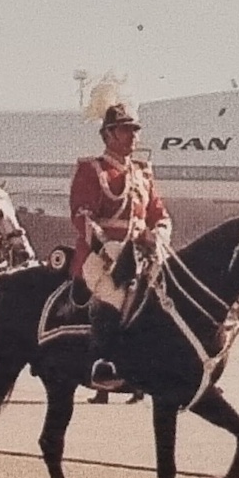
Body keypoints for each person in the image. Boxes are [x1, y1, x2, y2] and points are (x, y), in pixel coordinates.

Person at [68, 72, 171, 403]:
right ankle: (102, 364)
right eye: (126, 130)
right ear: (109, 134)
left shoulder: (142, 173)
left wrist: (158, 237)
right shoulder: (93, 170)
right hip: (102, 257)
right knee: (113, 296)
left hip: (140, 256)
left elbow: (159, 215)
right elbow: (82, 214)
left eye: (134, 130)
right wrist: (107, 249)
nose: (132, 137)